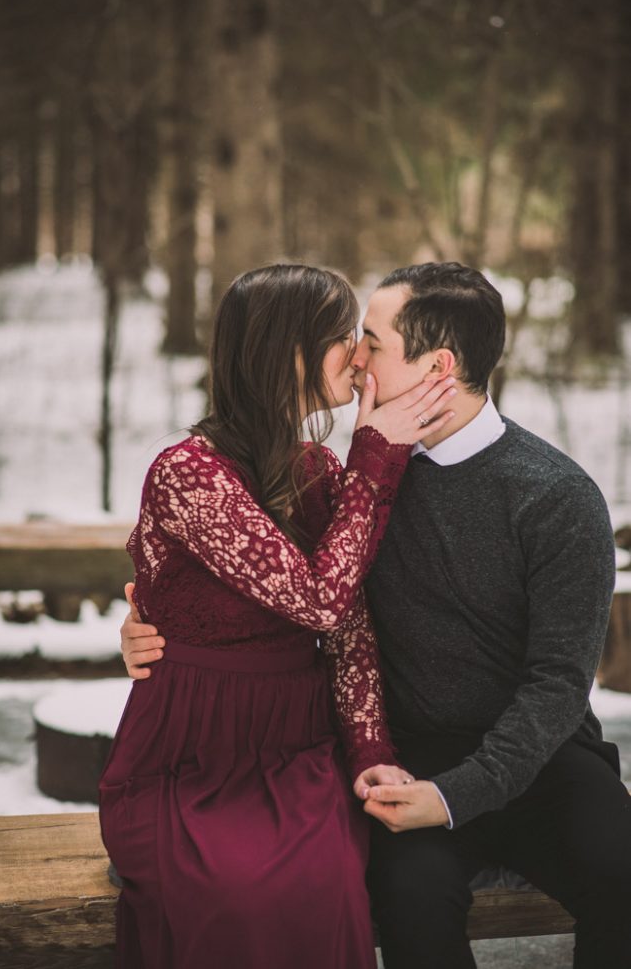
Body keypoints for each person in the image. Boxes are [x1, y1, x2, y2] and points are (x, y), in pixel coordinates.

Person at [123, 262, 631, 969]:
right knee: (409, 900)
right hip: (406, 754)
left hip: (541, 759)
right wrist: (153, 619)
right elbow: (295, 593)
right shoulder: (363, 477)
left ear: (438, 365)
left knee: (624, 872)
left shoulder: (559, 499)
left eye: (371, 341)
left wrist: (454, 793)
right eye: (349, 340)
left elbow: (555, 685)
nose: (357, 357)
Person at [100, 262, 457, 969]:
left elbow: (349, 628)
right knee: (232, 893)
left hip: (297, 747)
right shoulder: (189, 474)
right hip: (192, 754)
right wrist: (376, 455)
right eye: (340, 336)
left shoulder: (320, 471)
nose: (359, 356)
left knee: (325, 885)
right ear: (284, 350)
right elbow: (317, 599)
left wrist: (370, 752)